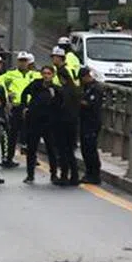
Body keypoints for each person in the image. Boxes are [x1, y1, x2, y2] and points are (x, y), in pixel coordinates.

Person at [21, 65, 58, 184]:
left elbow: (60, 103)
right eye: (44, 73)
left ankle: (53, 174)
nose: (46, 76)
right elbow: (24, 93)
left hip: (49, 122)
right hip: (34, 121)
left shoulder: (55, 89)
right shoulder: (36, 84)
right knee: (31, 149)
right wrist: (25, 107)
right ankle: (30, 175)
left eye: (48, 73)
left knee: (51, 149)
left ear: (53, 75)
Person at [0, 51, 35, 168]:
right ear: (17, 62)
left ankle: (32, 159)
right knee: (12, 134)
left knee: (32, 134)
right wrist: (6, 95)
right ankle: (8, 158)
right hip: (16, 107)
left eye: (25, 61)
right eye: (21, 61)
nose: (23, 63)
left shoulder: (34, 75)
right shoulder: (10, 75)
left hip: (30, 107)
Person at [54, 55, 82, 186]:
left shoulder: (62, 91)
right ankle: (75, 175)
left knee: (63, 150)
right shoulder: (76, 90)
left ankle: (64, 175)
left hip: (62, 124)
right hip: (74, 123)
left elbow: (58, 106)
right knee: (70, 151)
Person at [78, 67, 103, 184]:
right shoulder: (85, 87)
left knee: (91, 148)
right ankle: (89, 172)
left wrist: (78, 101)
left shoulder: (95, 88)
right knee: (85, 148)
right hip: (84, 121)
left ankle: (95, 174)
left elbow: (92, 104)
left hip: (92, 122)